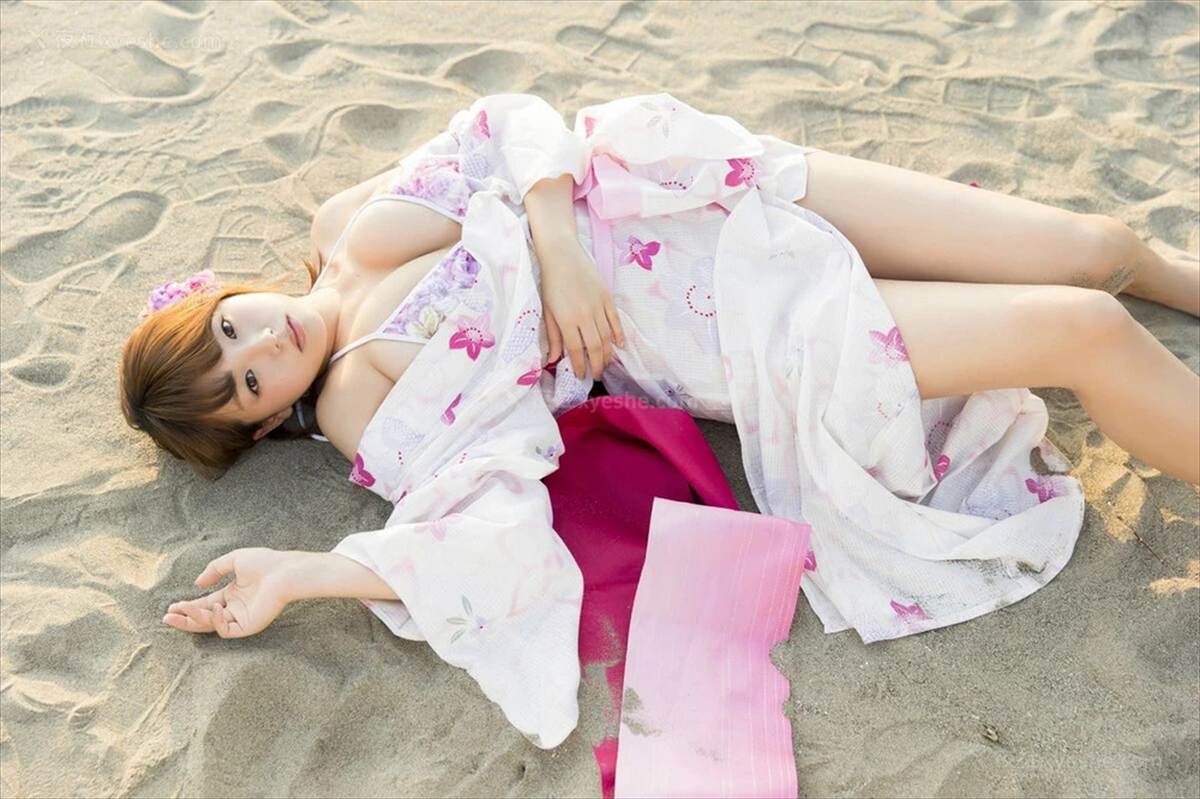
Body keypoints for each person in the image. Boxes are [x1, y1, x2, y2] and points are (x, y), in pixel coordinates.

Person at [121, 92, 1198, 745]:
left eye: (230, 332)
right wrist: (307, 572)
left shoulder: (340, 222)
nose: (263, 349)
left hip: (683, 186)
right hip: (729, 320)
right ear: (263, 427)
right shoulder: (363, 401)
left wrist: (556, 246)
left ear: (219, 297)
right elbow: (480, 515)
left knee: (1092, 249)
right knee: (1082, 327)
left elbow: (508, 120)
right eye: (247, 386)